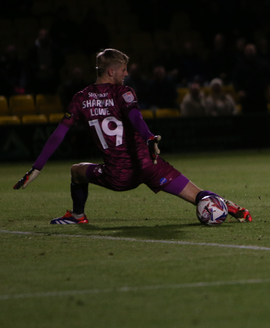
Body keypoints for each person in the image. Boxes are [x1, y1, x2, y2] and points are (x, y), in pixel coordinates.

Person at [13, 49, 251, 225]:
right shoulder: (123, 92)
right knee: (196, 193)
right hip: (149, 166)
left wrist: (37, 168)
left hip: (118, 175)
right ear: (111, 71)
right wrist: (149, 139)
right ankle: (223, 206)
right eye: (124, 70)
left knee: (76, 171)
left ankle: (78, 215)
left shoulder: (80, 99)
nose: (127, 73)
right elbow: (135, 116)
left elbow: (59, 133)